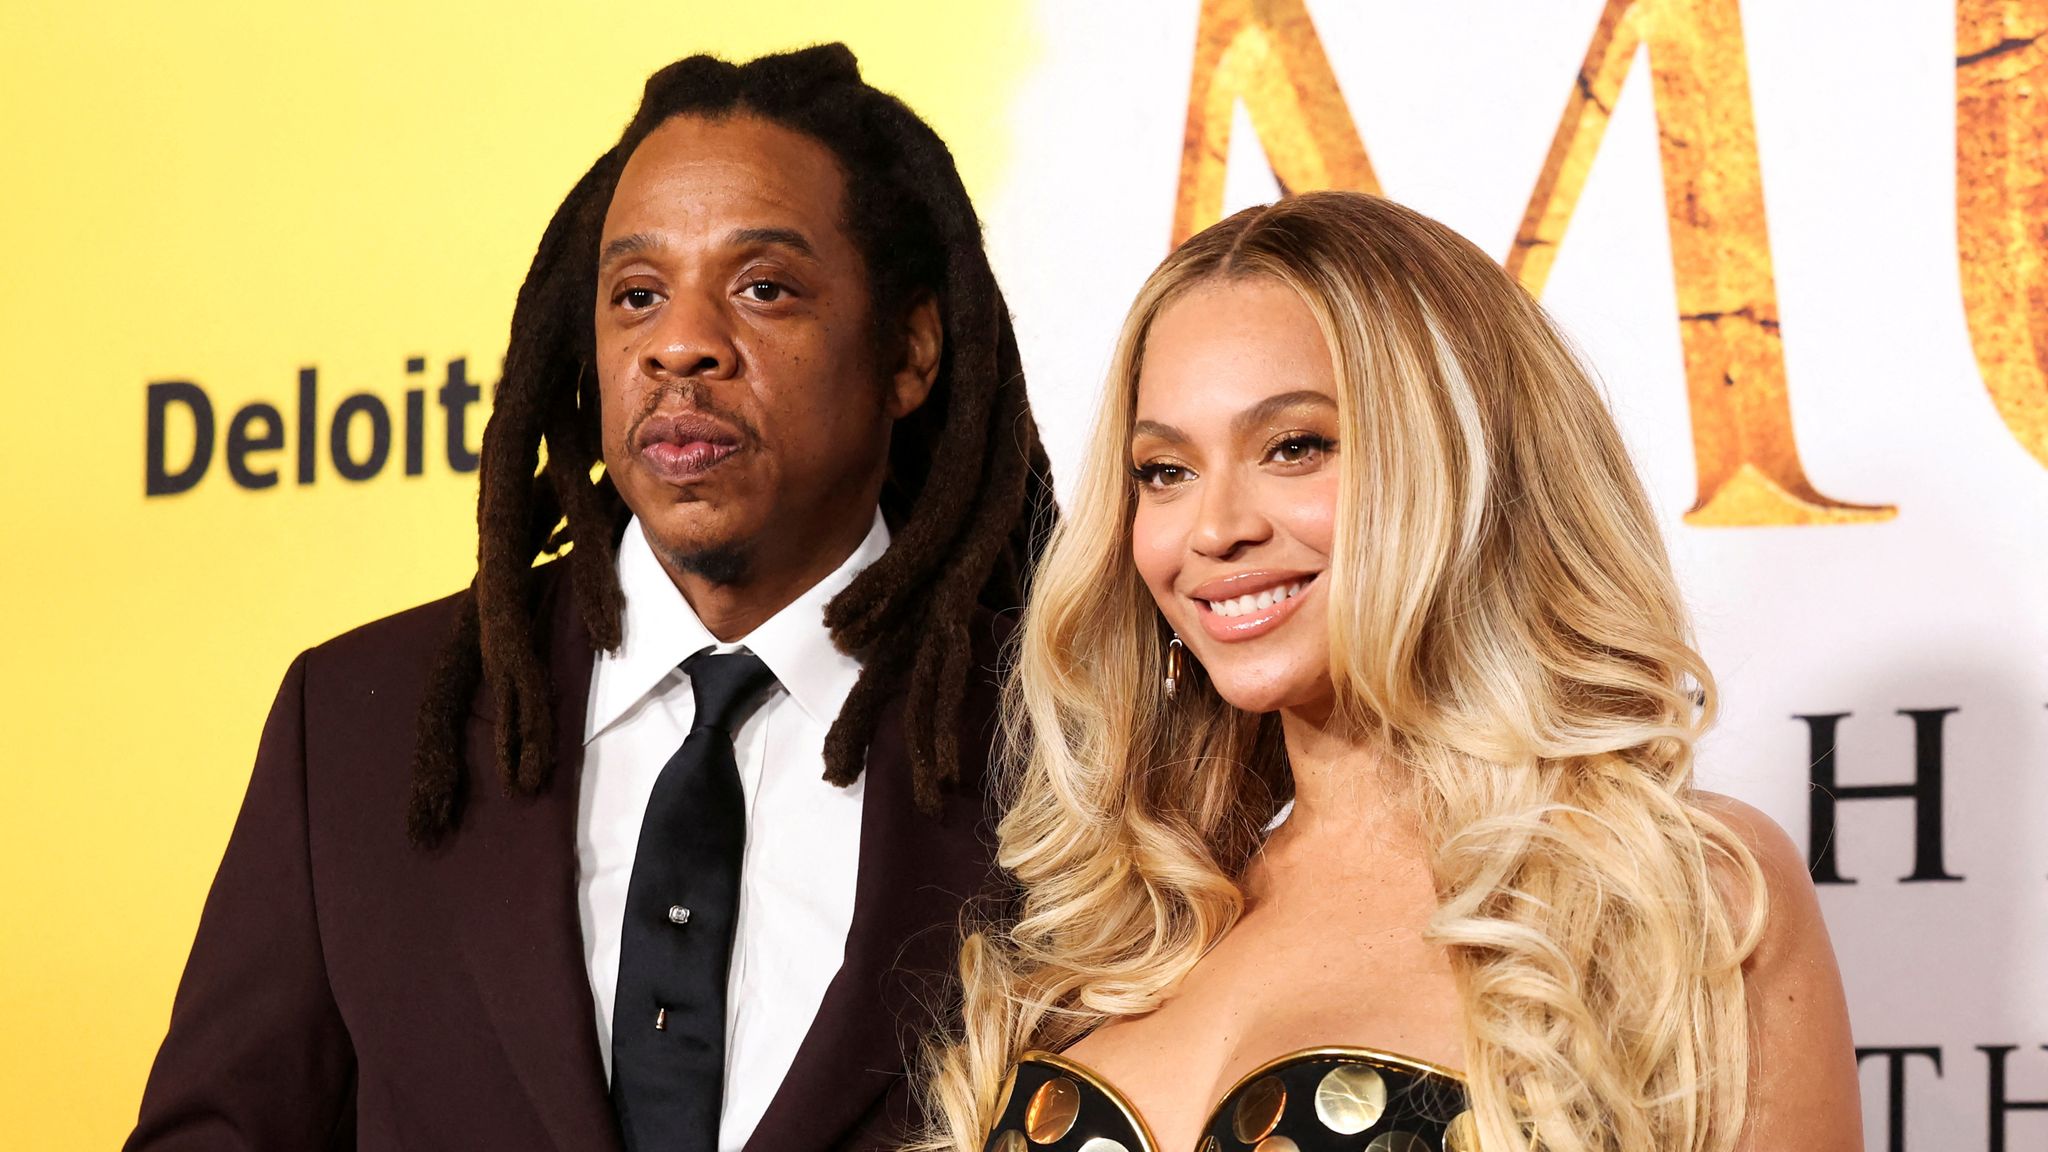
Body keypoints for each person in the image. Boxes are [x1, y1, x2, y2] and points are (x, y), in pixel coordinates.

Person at [129, 44, 1053, 1152]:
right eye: (636, 294)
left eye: (761, 288)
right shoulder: (360, 725)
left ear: (910, 350)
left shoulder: (1070, 741)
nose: (680, 345)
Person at [924, 192, 1859, 1152]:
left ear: (1461, 464)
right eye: (1165, 470)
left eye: (1296, 447)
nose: (1214, 528)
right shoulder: (1120, 926)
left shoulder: (1671, 894)